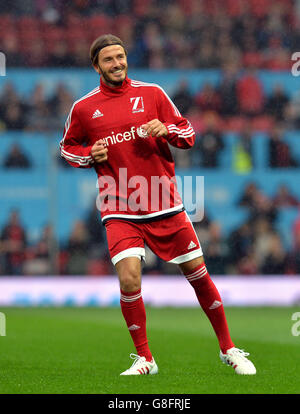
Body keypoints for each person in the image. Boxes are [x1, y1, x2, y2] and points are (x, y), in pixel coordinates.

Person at [60, 34, 256, 376]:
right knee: (130, 280)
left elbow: (189, 135)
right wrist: (88, 156)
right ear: (96, 66)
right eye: (109, 59)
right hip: (118, 206)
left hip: (163, 201)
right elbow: (67, 148)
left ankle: (228, 349)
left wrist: (165, 129)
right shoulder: (83, 108)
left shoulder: (152, 93)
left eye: (120, 56)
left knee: (197, 274)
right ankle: (145, 359)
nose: (117, 63)